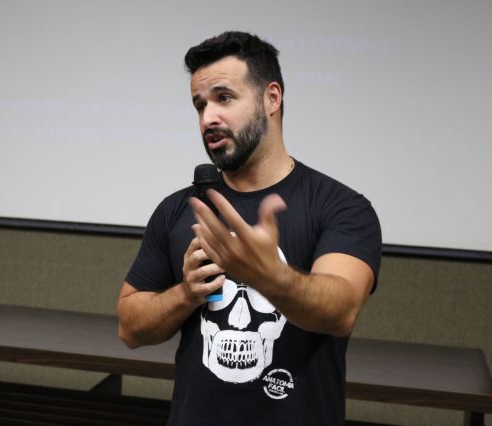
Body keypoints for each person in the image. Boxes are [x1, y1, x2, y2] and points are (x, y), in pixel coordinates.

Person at [117, 31, 381, 425]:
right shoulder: (179, 210)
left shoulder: (340, 207)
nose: (208, 118)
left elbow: (341, 311)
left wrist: (269, 276)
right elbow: (129, 327)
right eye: (200, 105)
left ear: (271, 98)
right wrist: (187, 293)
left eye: (224, 98)